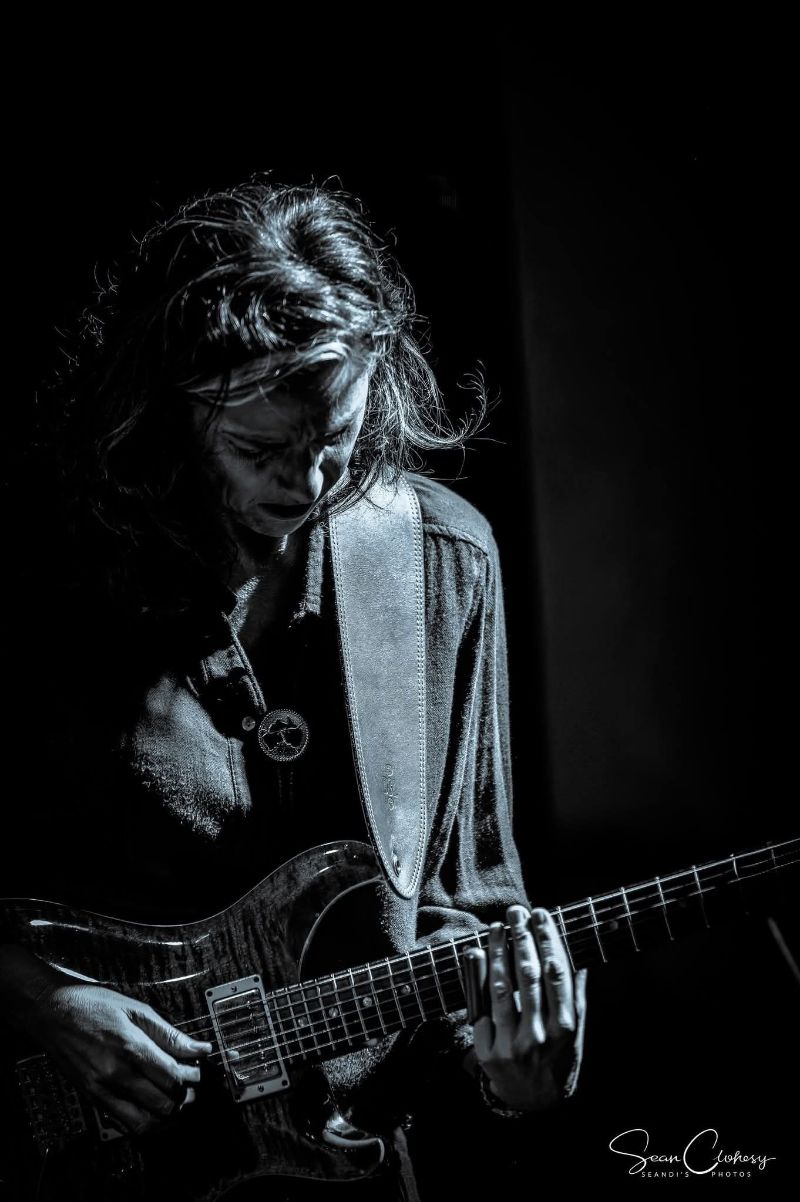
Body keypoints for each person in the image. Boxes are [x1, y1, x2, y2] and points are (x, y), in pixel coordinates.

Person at [0, 176, 588, 1200]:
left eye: (335, 439)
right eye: (261, 448)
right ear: (165, 409)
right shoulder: (46, 572)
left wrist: (513, 1077)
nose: (310, 482)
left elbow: (461, 914)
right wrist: (36, 997)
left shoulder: (440, 561)